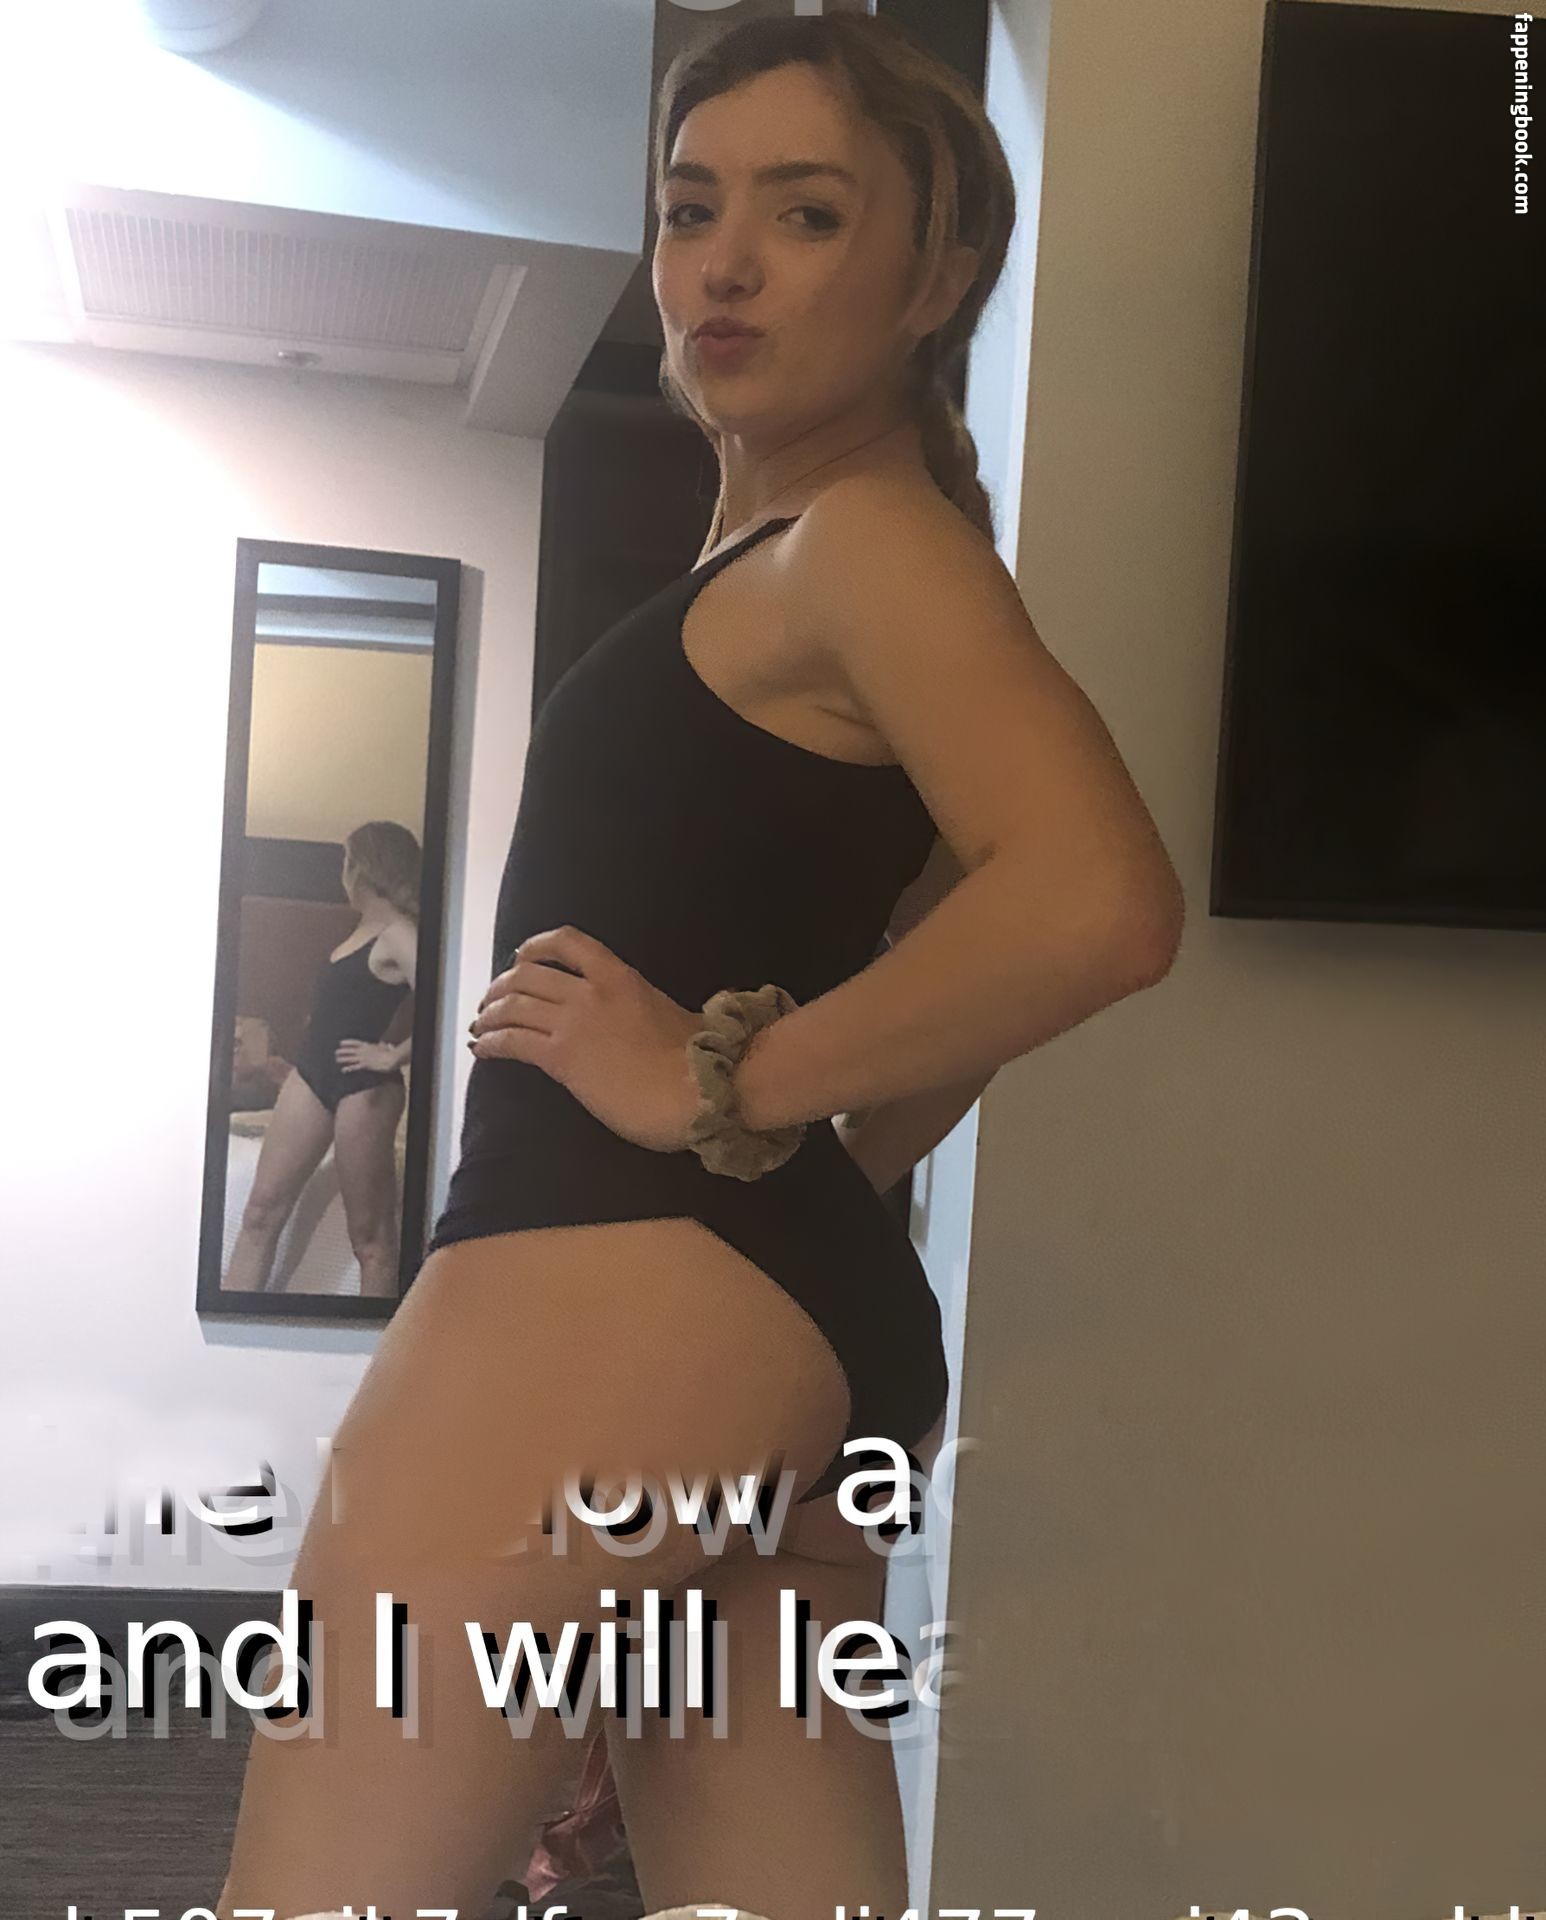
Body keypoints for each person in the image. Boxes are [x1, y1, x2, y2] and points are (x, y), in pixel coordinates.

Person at [214, 15, 1183, 1918]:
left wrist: (716, 1084)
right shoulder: (796, 562)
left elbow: (1096, 902)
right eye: (689, 210)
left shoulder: (861, 544)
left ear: (937, 276)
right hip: (761, 1326)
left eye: (806, 214)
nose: (723, 263)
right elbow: (963, 968)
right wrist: (785, 1170)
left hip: (609, 1283)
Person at [222, 820, 419, 1298]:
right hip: (311, 1076)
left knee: (370, 1240)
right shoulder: (361, 928)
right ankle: (231, 1322)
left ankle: (373, 1344)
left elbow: (447, 1005)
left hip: (363, 1087)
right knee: (259, 1213)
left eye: (345, 862)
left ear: (363, 867)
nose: (341, 874)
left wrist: (393, 1056)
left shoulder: (399, 932)